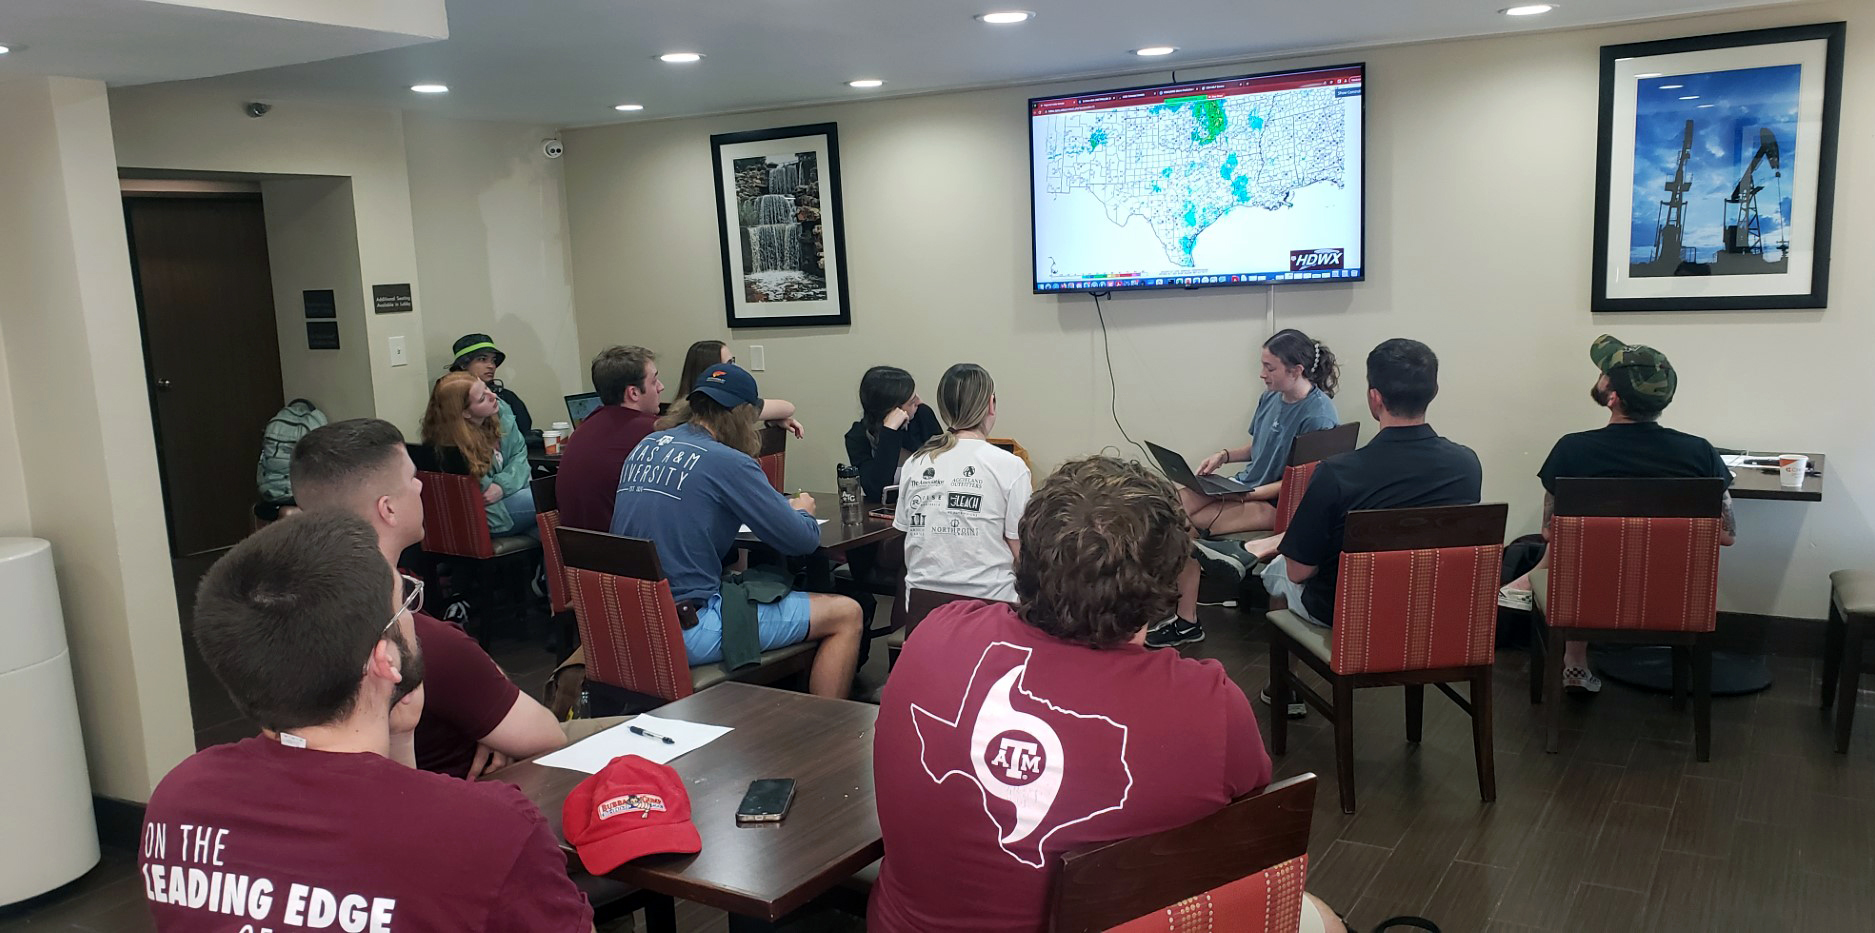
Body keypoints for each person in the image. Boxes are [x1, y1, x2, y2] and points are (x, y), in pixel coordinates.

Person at [869, 456, 1343, 933]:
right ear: (1167, 582)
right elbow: (1241, 832)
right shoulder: (1210, 707)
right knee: (1319, 915)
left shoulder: (934, 633)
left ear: (1023, 555)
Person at [141, 512, 593, 931]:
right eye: (406, 605)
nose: (415, 620)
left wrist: (401, 739)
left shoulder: (178, 799)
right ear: (385, 659)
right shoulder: (492, 829)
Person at [291, 418, 568, 779]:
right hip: (459, 806)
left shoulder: (287, 624)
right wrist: (488, 697)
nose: (421, 485)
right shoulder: (416, 644)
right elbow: (546, 738)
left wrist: (482, 685)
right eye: (411, 477)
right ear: (388, 509)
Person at [1249, 338, 1482, 715]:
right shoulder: (1467, 465)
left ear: (1375, 398)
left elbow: (1299, 570)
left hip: (1350, 613)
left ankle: (1283, 690)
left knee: (1276, 570)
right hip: (1434, 610)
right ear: (1433, 393)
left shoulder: (1339, 473)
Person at [1498, 334, 1737, 693]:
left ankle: (1573, 660)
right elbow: (1726, 535)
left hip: (1587, 592)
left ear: (1612, 397)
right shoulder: (1700, 453)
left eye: (1604, 374)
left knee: (1581, 548)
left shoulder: (1572, 450)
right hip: (1674, 596)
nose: (1599, 376)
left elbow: (1550, 531)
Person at [614, 362, 862, 697]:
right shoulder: (728, 461)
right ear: (744, 417)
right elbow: (800, 540)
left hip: (627, 620)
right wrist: (802, 512)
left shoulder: (647, 445)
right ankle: (824, 733)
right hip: (686, 626)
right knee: (846, 613)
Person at [1148, 328, 1341, 649]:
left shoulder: (1318, 414)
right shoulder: (1270, 398)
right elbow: (1259, 447)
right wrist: (1223, 456)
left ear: (1296, 371)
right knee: (1174, 506)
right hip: (1243, 487)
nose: (1262, 374)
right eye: (1263, 365)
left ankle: (1185, 618)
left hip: (1277, 503)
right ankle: (1179, 608)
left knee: (1190, 524)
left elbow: (1304, 484)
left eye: (1270, 368)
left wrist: (1243, 494)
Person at [893, 363, 1030, 604]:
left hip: (922, 609)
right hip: (990, 606)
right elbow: (1021, 552)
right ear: (991, 403)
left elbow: (908, 539)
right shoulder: (1010, 466)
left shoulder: (916, 463)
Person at [557, 345, 664, 532]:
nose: (661, 387)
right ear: (633, 393)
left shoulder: (583, 429)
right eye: (654, 381)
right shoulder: (654, 433)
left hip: (578, 553)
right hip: (627, 554)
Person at [420, 371, 537, 537]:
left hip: (512, 497)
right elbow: (486, 494)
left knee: (550, 531)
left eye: (487, 389)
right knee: (551, 499)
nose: (492, 397)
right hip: (489, 516)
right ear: (465, 413)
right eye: (482, 398)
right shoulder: (452, 448)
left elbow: (520, 455)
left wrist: (502, 486)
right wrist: (513, 483)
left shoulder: (501, 411)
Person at [845, 365, 941, 502]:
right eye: (912, 401)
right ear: (893, 410)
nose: (919, 402)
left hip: (930, 504)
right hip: (885, 513)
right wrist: (889, 432)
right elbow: (876, 490)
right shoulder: (858, 437)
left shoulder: (922, 416)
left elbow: (944, 468)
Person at [675, 339, 804, 435]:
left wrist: (773, 421)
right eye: (729, 363)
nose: (735, 367)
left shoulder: (677, 414)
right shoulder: (719, 409)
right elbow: (788, 408)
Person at [449, 332, 534, 437]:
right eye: (482, 359)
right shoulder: (451, 398)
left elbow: (524, 431)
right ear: (463, 364)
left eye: (493, 360)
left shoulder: (506, 398)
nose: (491, 366)